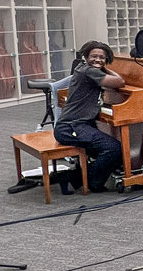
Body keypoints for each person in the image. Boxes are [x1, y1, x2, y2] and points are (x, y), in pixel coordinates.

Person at [53, 41, 125, 192]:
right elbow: (120, 81)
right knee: (114, 149)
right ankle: (93, 182)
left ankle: (72, 177)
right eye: (94, 56)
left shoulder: (81, 68)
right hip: (71, 127)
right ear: (86, 56)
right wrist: (105, 67)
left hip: (74, 125)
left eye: (102, 57)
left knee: (103, 150)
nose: (97, 60)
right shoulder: (90, 71)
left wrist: (102, 67)